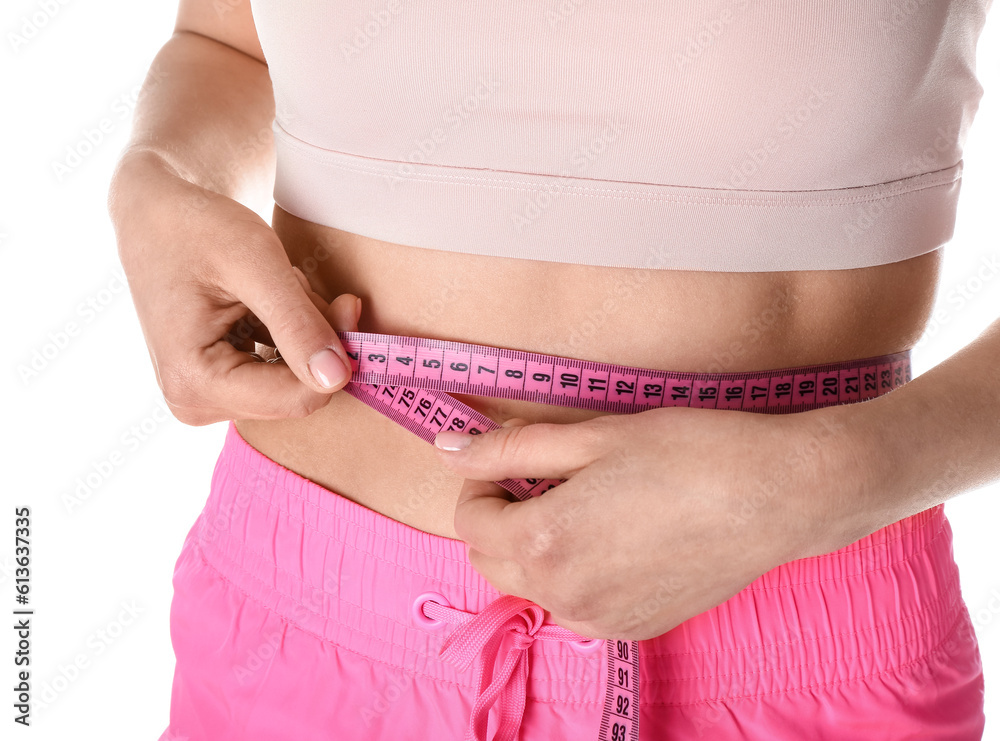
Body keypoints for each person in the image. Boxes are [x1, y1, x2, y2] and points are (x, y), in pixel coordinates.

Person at [108, 0, 997, 738]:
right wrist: (161, 173)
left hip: (795, 655)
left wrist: (828, 476)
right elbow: (228, 41)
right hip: (293, 639)